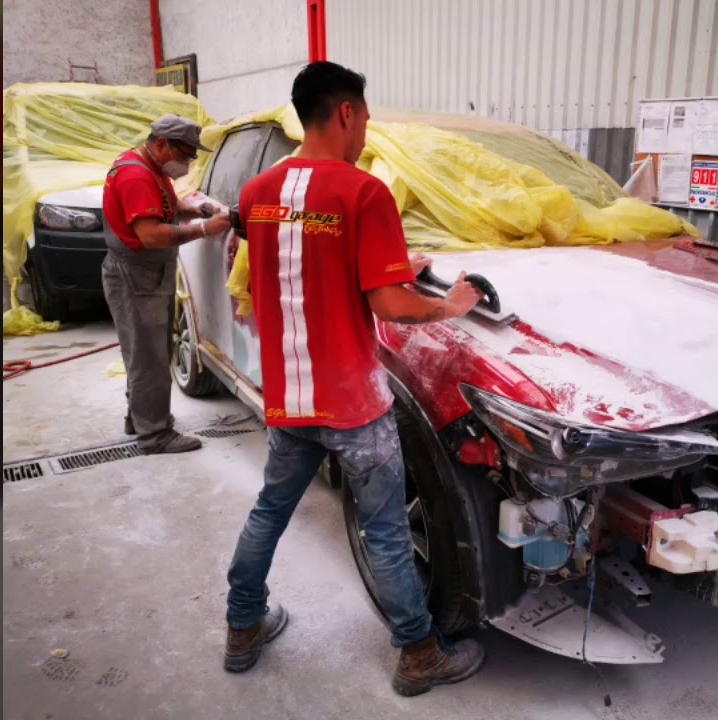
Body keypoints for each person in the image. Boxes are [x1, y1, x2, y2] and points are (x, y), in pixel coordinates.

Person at [223, 61, 485, 696]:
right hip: (354, 405)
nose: (366, 130)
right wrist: (450, 306)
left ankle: (242, 627)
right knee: (387, 531)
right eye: (364, 117)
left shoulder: (258, 194)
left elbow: (283, 274)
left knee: (269, 512)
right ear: (345, 113)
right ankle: (420, 654)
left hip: (290, 399)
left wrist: (391, 262)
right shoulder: (365, 193)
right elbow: (391, 305)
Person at [101, 115, 231, 454]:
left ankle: (141, 419)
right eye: (184, 156)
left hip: (143, 274)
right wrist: (204, 229)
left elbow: (161, 209)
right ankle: (154, 436)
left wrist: (191, 209)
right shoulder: (135, 176)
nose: (188, 164)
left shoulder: (146, 165)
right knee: (149, 358)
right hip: (137, 275)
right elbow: (151, 234)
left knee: (147, 352)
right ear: (162, 145)